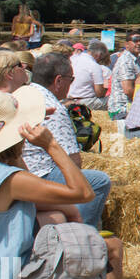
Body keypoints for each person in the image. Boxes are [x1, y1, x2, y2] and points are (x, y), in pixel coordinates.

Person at [0, 87, 122, 279]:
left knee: (57, 217)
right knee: (112, 246)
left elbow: (26, 183)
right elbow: (85, 193)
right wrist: (51, 145)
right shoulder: (10, 180)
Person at [21, 53, 112, 230]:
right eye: (72, 79)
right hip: (40, 174)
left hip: (22, 170)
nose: (72, 84)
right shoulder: (54, 109)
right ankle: (82, 234)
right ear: (59, 81)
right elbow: (73, 162)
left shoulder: (25, 94)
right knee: (98, 181)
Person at [107, 31, 140, 121]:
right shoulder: (126, 61)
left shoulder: (139, 59)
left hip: (132, 106)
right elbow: (128, 90)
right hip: (122, 109)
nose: (139, 43)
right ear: (126, 44)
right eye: (135, 41)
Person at [67, 41, 109, 110]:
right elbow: (99, 93)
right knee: (112, 100)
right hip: (84, 101)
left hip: (67, 99)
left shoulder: (72, 59)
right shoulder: (94, 65)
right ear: (99, 55)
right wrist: (105, 88)